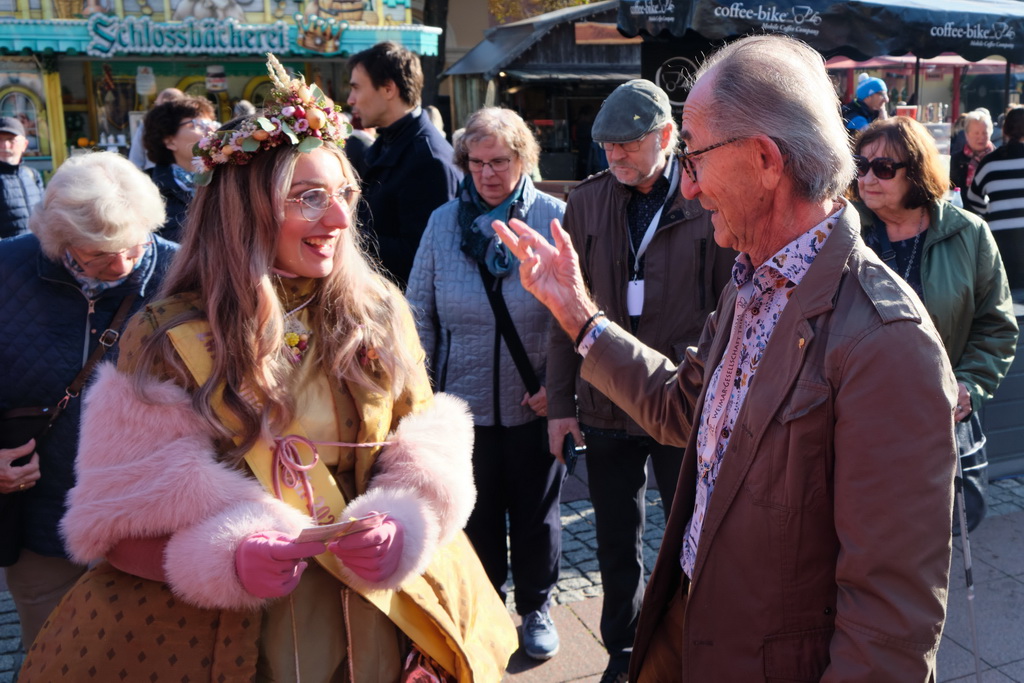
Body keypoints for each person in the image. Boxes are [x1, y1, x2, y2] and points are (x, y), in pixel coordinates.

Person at [19, 55, 516, 683]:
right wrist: (226, 560)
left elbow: (426, 435)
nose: (339, 220)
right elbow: (114, 523)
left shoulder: (378, 309)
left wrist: (406, 515)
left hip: (384, 618)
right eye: (309, 198)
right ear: (247, 208)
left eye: (344, 194)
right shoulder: (165, 335)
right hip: (231, 636)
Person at [493, 34, 960, 681]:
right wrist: (575, 311)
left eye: (696, 155)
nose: (687, 184)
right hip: (694, 635)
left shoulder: (888, 343)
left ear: (766, 160)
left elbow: (887, 632)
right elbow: (681, 405)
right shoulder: (753, 281)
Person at [545, 79, 732, 683]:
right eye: (607, 148)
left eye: (628, 146)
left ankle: (682, 646)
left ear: (667, 137)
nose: (616, 158)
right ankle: (622, 655)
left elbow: (734, 303)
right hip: (604, 405)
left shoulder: (709, 199)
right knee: (615, 544)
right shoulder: (587, 200)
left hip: (684, 400)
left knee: (689, 539)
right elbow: (563, 311)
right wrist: (558, 405)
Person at [406, 106, 566, 662]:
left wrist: (560, 388)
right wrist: (422, 395)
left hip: (535, 401)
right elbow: (418, 313)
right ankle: (486, 601)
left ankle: (537, 606)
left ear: (524, 158)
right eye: (475, 162)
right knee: (472, 512)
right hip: (461, 406)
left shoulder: (555, 219)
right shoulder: (442, 223)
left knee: (536, 513)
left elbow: (579, 315)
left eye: (499, 161)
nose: (487, 173)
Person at [0, 151, 178, 648]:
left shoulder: (185, 272)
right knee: (50, 651)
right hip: (44, 519)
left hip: (150, 518)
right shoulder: (6, 269)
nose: (120, 264)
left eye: (132, 246)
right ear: (58, 242)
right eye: (98, 253)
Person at [852, 116, 1018, 531]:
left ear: (917, 173)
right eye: (862, 165)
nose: (868, 178)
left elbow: (996, 327)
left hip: (936, 423)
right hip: (859, 426)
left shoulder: (969, 234)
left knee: (931, 540)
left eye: (884, 168)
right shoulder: (845, 232)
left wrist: (970, 386)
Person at [347, 41, 462, 287]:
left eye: (356, 88)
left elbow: (424, 255)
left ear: (388, 89)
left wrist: (347, 236)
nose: (350, 99)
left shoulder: (428, 159)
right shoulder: (391, 142)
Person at [142, 95, 218, 243]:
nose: (210, 129)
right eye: (197, 124)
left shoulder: (229, 177)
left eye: (212, 123)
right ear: (170, 141)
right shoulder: (149, 191)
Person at [967, 105, 1024, 290]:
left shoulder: (990, 162)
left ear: (1004, 131)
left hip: (999, 239)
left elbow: (973, 199)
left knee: (1006, 292)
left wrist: (991, 211)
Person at [0, 116, 43, 239]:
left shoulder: (32, 175)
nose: (5, 145)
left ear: (24, 145)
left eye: (11, 140)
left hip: (38, 251)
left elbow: (45, 213)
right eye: (0, 140)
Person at [128, 87, 185, 171]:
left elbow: (135, 159)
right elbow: (135, 160)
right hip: (156, 174)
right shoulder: (147, 126)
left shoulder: (188, 126)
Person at [950, 108, 996, 209]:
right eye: (976, 133)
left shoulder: (998, 159)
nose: (981, 137)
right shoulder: (956, 160)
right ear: (966, 134)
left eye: (985, 133)